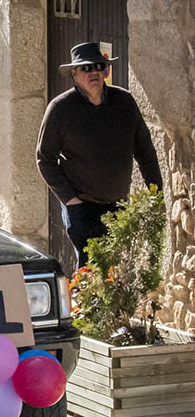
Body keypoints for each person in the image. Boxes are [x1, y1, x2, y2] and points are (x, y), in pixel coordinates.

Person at [37, 42, 163, 266]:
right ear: (74, 74)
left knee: (120, 269)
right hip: (82, 206)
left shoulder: (124, 102)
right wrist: (71, 200)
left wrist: (156, 191)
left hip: (119, 206)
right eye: (86, 68)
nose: (93, 72)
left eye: (98, 66)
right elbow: (44, 159)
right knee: (92, 269)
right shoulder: (60, 109)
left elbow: (145, 150)